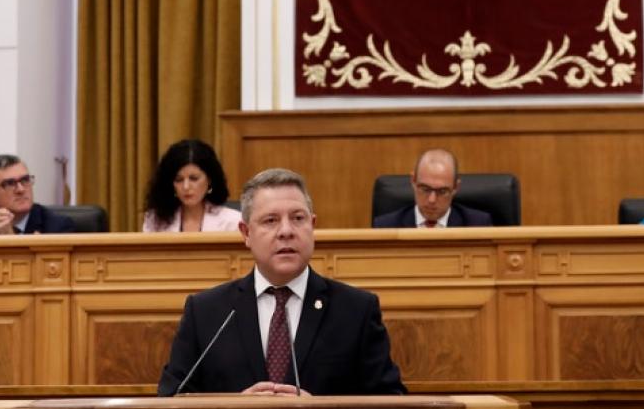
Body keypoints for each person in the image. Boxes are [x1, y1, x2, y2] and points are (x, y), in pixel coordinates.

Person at [157, 168, 405, 396]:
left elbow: (393, 401)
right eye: (271, 220)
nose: (286, 231)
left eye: (298, 218)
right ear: (246, 233)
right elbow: (169, 399)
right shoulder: (206, 312)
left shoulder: (356, 311)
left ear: (312, 226)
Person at [372, 148, 492, 228]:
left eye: (442, 191)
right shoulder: (385, 226)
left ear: (456, 187)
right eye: (425, 189)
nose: (432, 200)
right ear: (413, 181)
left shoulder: (477, 225)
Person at [0, 154, 75, 235]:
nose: (21, 189)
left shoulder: (58, 228)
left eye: (25, 180)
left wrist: (11, 241)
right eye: (9, 183)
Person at [142, 139, 242, 233]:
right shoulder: (155, 221)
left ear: (210, 180)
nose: (186, 187)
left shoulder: (233, 222)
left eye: (194, 178)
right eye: (179, 180)